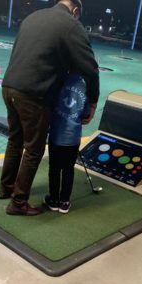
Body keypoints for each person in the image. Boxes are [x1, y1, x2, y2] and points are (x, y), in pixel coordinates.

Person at [0, 0, 99, 216]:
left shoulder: (33, 17)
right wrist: (92, 101)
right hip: (33, 94)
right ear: (75, 11)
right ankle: (18, 202)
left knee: (15, 139)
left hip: (9, 87)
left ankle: (5, 189)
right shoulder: (71, 25)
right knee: (33, 149)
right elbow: (91, 68)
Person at [43, 72, 90, 214]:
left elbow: (49, 104)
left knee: (55, 168)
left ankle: (54, 200)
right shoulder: (84, 84)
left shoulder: (58, 79)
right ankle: (64, 202)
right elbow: (85, 113)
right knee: (68, 169)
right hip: (73, 137)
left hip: (56, 135)